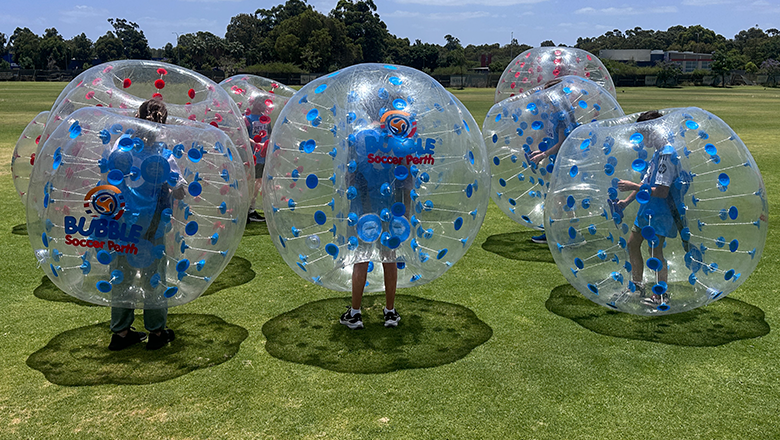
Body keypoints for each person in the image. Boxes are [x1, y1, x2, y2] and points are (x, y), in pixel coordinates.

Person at [108, 98, 178, 350]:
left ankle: (121, 332)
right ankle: (156, 333)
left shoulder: (121, 146)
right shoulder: (163, 154)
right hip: (153, 225)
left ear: (135, 118)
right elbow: (178, 188)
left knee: (121, 275)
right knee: (154, 277)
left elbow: (109, 177)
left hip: (122, 222)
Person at [339, 117, 411, 330]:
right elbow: (406, 177)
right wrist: (406, 208)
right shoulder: (398, 136)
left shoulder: (357, 136)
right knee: (389, 256)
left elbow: (349, 176)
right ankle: (389, 312)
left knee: (361, 257)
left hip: (362, 206)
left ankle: (355, 313)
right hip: (389, 207)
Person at [615, 110, 682, 308]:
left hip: (660, 212)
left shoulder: (667, 155)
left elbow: (661, 191)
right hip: (648, 210)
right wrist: (626, 202)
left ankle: (661, 294)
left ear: (653, 131)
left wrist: (633, 186)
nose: (641, 138)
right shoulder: (658, 154)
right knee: (632, 244)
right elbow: (646, 183)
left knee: (655, 251)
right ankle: (637, 286)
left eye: (643, 132)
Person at [526, 78, 570, 244]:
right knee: (562, 198)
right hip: (555, 160)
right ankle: (571, 231)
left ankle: (552, 233)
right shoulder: (556, 113)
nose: (544, 97)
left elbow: (562, 143)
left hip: (561, 161)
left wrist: (543, 155)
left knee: (556, 199)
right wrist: (541, 151)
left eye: (547, 93)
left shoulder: (562, 115)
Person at [244, 97, 273, 223]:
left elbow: (270, 135)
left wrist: (267, 146)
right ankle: (245, 210)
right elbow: (244, 136)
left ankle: (251, 209)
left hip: (263, 156)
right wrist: (256, 144)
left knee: (258, 183)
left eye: (264, 102)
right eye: (260, 102)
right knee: (249, 183)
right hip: (252, 156)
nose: (263, 105)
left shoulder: (266, 119)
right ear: (254, 103)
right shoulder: (247, 118)